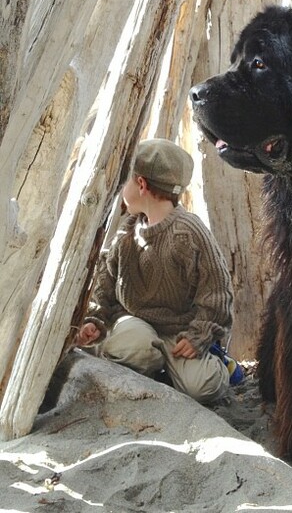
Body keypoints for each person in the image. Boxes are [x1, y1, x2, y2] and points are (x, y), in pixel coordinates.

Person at [77, 138, 237, 403]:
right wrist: (95, 319)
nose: (122, 190)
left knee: (203, 388)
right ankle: (156, 368)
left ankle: (220, 364)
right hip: (135, 323)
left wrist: (200, 334)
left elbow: (217, 292)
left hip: (179, 330)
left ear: (141, 184)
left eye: (126, 181)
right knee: (134, 348)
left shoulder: (189, 233)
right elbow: (105, 282)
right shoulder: (127, 230)